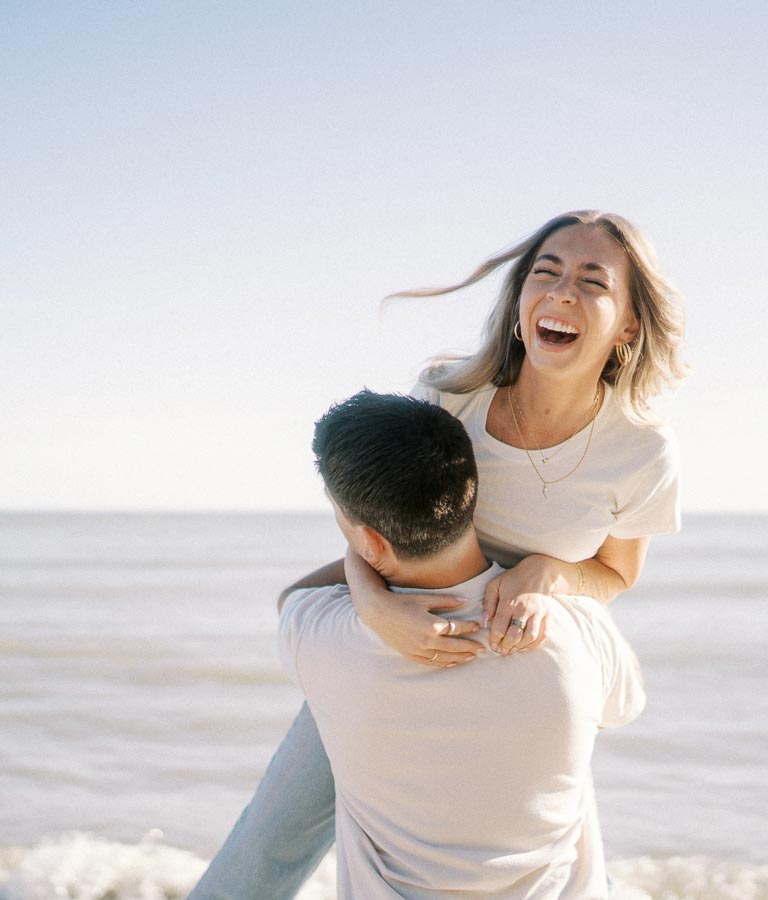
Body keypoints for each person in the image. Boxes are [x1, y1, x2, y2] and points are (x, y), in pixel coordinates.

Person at [189, 210, 687, 898]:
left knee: (557, 846)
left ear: (629, 323)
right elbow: (378, 519)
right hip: (409, 604)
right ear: (519, 305)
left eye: (592, 281)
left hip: (535, 634)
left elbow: (617, 574)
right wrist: (375, 610)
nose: (562, 291)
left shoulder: (643, 449)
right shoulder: (455, 394)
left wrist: (547, 573)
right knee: (276, 829)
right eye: (546, 272)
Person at [279, 390, 645, 897]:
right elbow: (624, 706)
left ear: (370, 542)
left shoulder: (323, 639)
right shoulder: (575, 626)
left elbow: (292, 599)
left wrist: (368, 596)